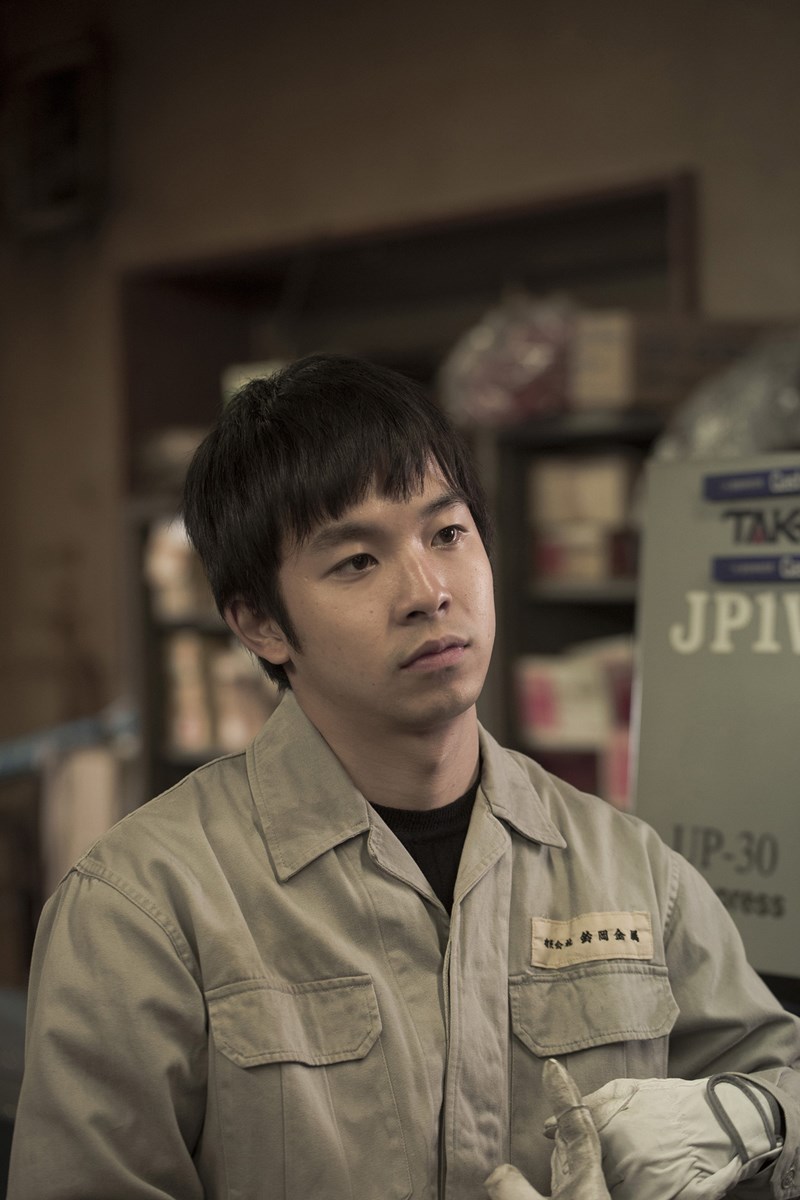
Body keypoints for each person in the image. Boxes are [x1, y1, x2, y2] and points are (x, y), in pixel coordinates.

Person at [7, 354, 800, 1200]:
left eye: (447, 534)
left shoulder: (631, 870)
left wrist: (750, 1119)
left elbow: (775, 1074)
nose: (428, 591)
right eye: (357, 561)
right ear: (260, 623)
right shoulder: (144, 911)